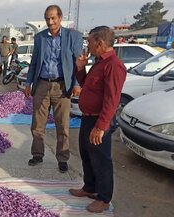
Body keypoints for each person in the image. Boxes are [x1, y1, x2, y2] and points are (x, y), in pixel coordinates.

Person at [69, 26, 127, 213]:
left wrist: (101, 126)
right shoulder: (99, 63)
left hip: (99, 121)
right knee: (87, 155)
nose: (88, 44)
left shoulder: (113, 65)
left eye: (90, 41)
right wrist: (80, 68)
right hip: (87, 118)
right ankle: (90, 187)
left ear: (100, 43)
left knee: (101, 160)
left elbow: (112, 99)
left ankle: (103, 198)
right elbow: (87, 85)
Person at [23, 5, 82, 173]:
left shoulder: (73, 37)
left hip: (62, 86)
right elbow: (34, 62)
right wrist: (28, 83)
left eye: (53, 18)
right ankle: (37, 154)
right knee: (37, 124)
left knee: (62, 125)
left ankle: (62, 158)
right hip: (42, 84)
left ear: (60, 18)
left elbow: (78, 64)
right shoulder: (40, 38)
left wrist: (77, 84)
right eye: (48, 18)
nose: (50, 22)